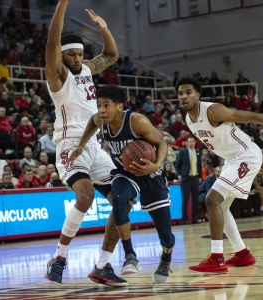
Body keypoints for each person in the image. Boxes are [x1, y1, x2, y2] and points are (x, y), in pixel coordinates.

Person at [175, 76, 263, 273]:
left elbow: (252, 116)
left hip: (246, 155)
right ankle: (242, 254)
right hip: (233, 160)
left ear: (197, 95)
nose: (184, 96)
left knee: (212, 200)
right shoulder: (189, 120)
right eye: (180, 93)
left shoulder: (213, 110)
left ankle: (217, 257)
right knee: (221, 208)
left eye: (188, 92)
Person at [44, 1, 127, 286]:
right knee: (85, 196)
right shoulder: (57, 75)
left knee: (123, 199)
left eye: (81, 54)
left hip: (94, 145)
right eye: (73, 55)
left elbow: (112, 55)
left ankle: (103, 265)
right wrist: (63, 4)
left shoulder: (88, 69)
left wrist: (104, 28)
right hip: (70, 145)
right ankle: (59, 257)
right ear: (63, 57)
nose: (78, 59)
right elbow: (53, 41)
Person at [67, 85, 175, 284]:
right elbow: (92, 121)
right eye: (99, 105)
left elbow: (161, 143)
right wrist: (82, 144)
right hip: (125, 172)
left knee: (166, 236)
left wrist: (156, 165)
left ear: (119, 107)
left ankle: (166, 258)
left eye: (106, 105)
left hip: (150, 173)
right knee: (118, 200)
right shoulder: (100, 119)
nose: (101, 110)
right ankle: (130, 256)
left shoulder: (136, 121)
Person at [175, 136, 202, 224]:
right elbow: (177, 164)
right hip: (186, 178)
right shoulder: (183, 152)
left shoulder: (198, 152)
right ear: (187, 143)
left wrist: (200, 176)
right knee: (185, 200)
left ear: (195, 142)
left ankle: (194, 218)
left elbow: (199, 166)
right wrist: (179, 175)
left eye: (192, 141)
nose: (190, 143)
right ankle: (185, 219)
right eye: (189, 141)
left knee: (195, 199)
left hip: (195, 177)